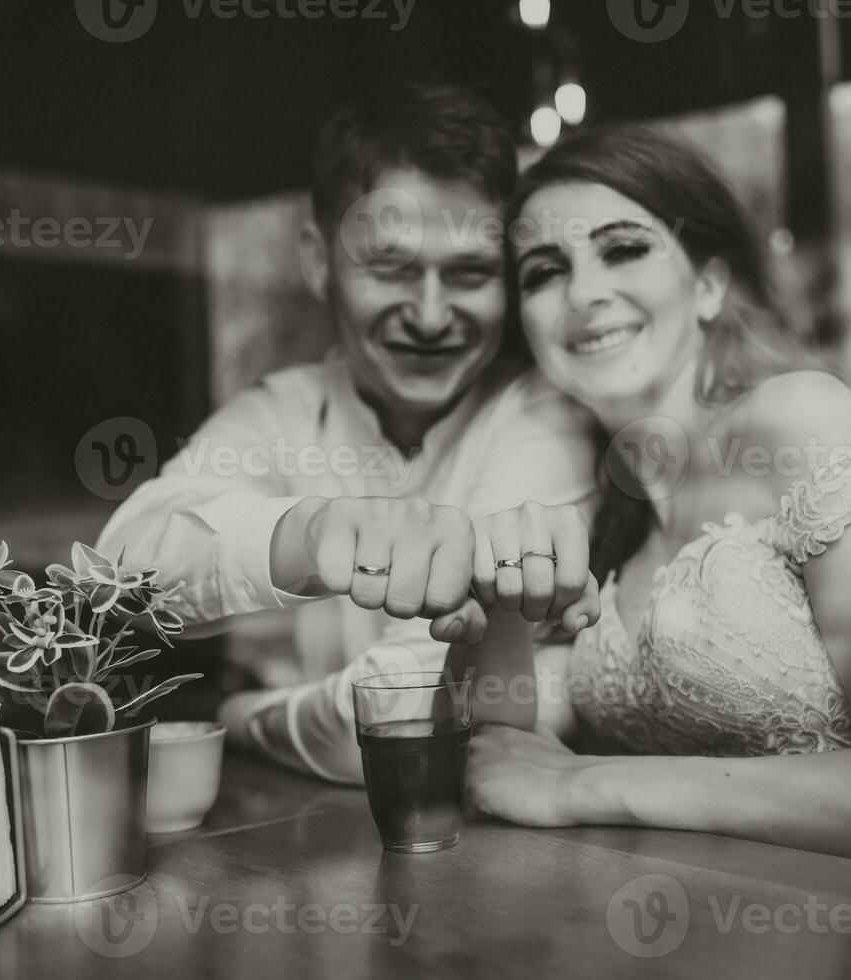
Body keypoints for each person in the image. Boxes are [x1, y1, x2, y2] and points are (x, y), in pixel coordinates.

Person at [450, 124, 851, 896]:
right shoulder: (609, 521)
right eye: (545, 271)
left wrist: (588, 784)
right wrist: (502, 607)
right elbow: (504, 755)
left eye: (622, 249)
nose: (584, 293)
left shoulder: (799, 420)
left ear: (709, 286)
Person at [96, 85, 598, 784]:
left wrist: (241, 716)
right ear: (317, 260)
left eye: (470, 273)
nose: (430, 315)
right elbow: (118, 566)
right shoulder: (282, 412)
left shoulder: (541, 412)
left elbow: (419, 707)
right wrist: (304, 537)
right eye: (390, 268)